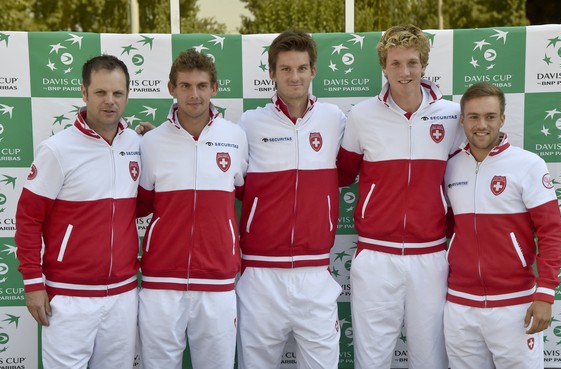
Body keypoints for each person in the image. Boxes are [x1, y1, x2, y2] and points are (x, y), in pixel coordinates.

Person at [337, 24, 464, 369]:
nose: (404, 72)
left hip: (430, 255)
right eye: (395, 64)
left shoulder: (451, 115)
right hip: (376, 256)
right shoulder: (362, 116)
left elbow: (464, 179)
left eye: (411, 62)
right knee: (371, 357)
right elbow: (342, 174)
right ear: (384, 66)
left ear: (423, 64)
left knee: (430, 358)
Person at [15, 55, 140, 369]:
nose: (109, 101)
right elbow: (28, 219)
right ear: (84, 93)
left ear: (127, 95)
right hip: (69, 297)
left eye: (117, 93)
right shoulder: (57, 149)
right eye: (100, 93)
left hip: (123, 296)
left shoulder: (137, 144)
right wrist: (33, 284)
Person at [236, 30, 346, 369]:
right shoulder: (249, 123)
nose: (294, 76)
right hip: (260, 275)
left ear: (314, 70)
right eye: (285, 69)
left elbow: (350, 171)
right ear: (271, 73)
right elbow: (231, 182)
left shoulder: (335, 120)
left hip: (315, 273)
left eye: (301, 68)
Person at [137, 49, 248, 369]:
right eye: (185, 86)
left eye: (201, 85)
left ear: (215, 88)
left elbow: (243, 191)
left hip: (218, 283)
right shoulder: (151, 142)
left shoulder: (236, 137)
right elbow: (141, 205)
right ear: (171, 88)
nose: (194, 94)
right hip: (161, 284)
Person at [443, 82, 561, 369]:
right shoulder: (450, 166)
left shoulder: (528, 165)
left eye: (490, 116)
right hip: (460, 304)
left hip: (515, 305)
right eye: (473, 117)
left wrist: (545, 293)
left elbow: (552, 232)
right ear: (462, 120)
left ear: (502, 119)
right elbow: (447, 228)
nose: (481, 125)